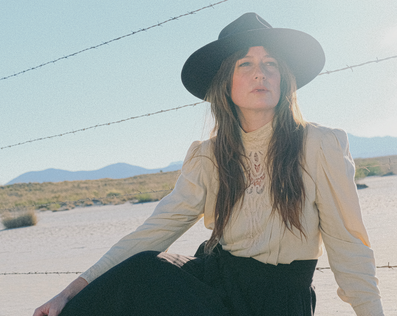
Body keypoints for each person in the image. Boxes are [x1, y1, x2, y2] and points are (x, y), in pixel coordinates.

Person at [33, 12, 384, 316]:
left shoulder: (320, 145)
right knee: (139, 272)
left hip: (279, 300)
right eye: (245, 64)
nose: (260, 73)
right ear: (226, 84)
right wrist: (69, 292)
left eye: (270, 64)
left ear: (284, 79)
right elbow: (151, 234)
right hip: (214, 289)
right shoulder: (208, 156)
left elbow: (349, 246)